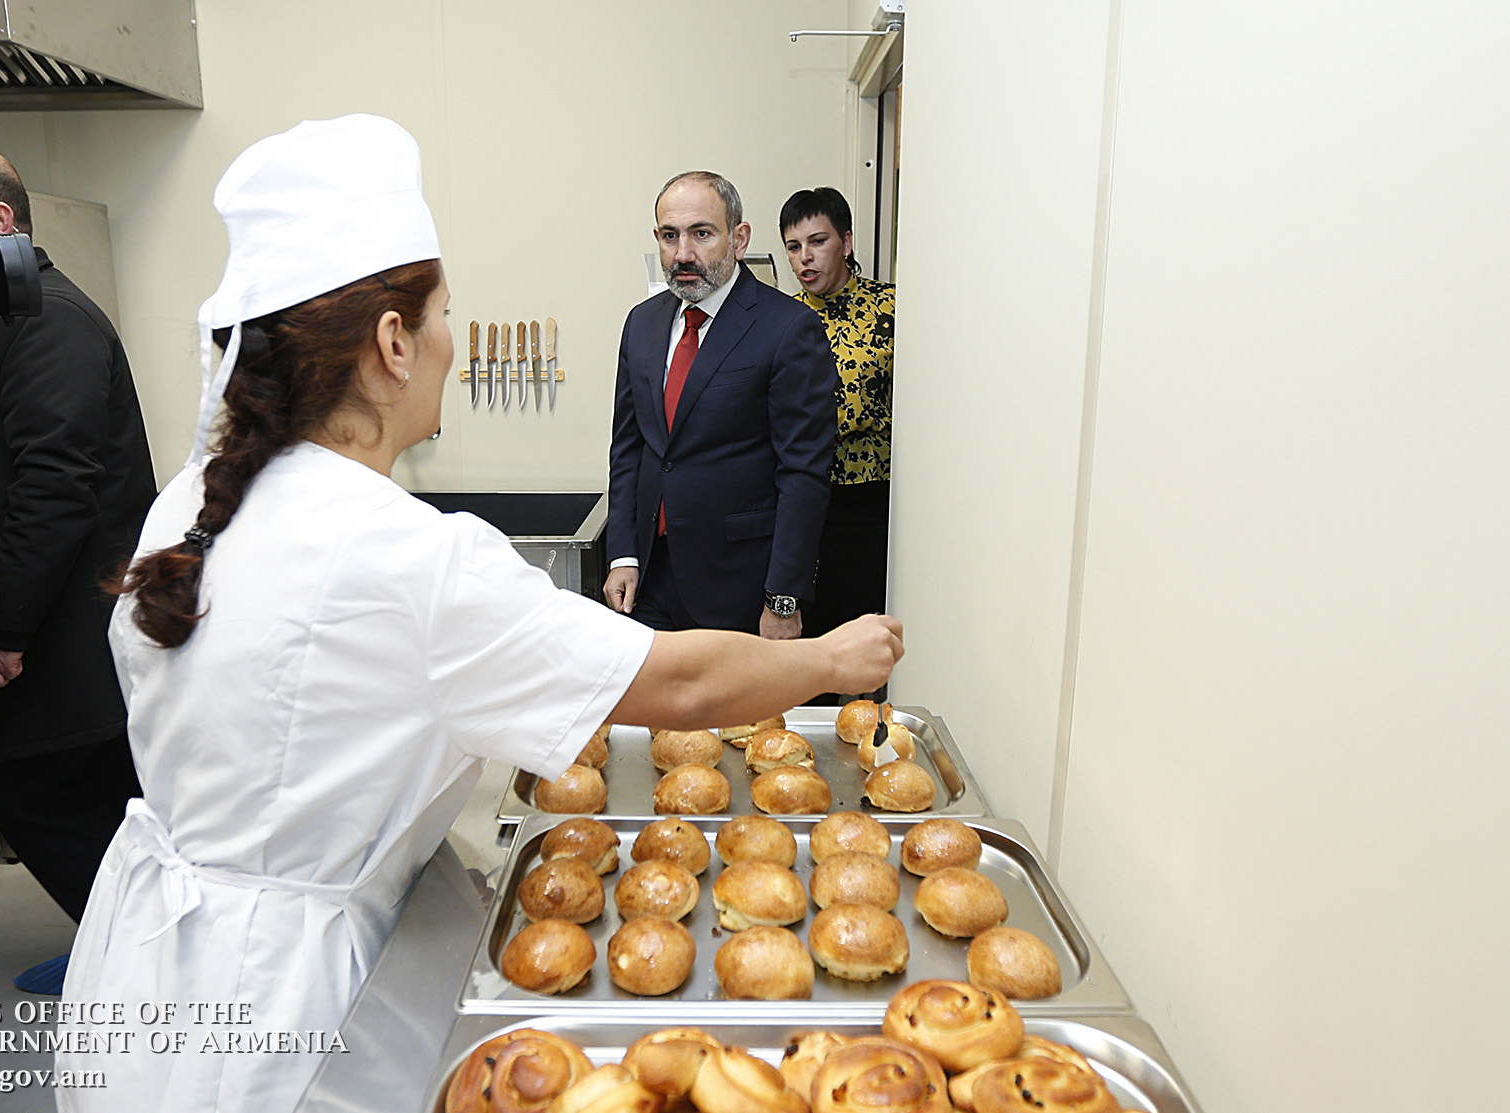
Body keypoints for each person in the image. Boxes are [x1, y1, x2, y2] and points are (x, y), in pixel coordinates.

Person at [54, 115, 902, 1113]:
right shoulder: (406, 556)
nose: (453, 344)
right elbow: (674, 681)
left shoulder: (192, 500)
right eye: (445, 316)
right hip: (287, 1020)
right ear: (392, 344)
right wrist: (830, 658)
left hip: (142, 977)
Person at [0, 145, 155, 991]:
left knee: (38, 797)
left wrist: (2, 627)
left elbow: (54, 488)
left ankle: (134, 963)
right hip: (36, 623)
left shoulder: (51, 320)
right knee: (91, 801)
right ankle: (129, 951)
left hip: (65, 631)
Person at [604, 171, 837, 637]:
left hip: (742, 588)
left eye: (702, 234)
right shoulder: (642, 324)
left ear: (739, 239)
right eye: (670, 236)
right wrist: (623, 555)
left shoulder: (788, 329)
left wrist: (783, 597)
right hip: (648, 581)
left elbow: (803, 474)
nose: (683, 254)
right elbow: (629, 450)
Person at [780, 188, 895, 666]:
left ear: (846, 242)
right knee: (809, 640)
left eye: (817, 241)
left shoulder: (891, 308)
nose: (804, 257)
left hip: (872, 502)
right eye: (793, 246)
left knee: (867, 640)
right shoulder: (778, 317)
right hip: (801, 502)